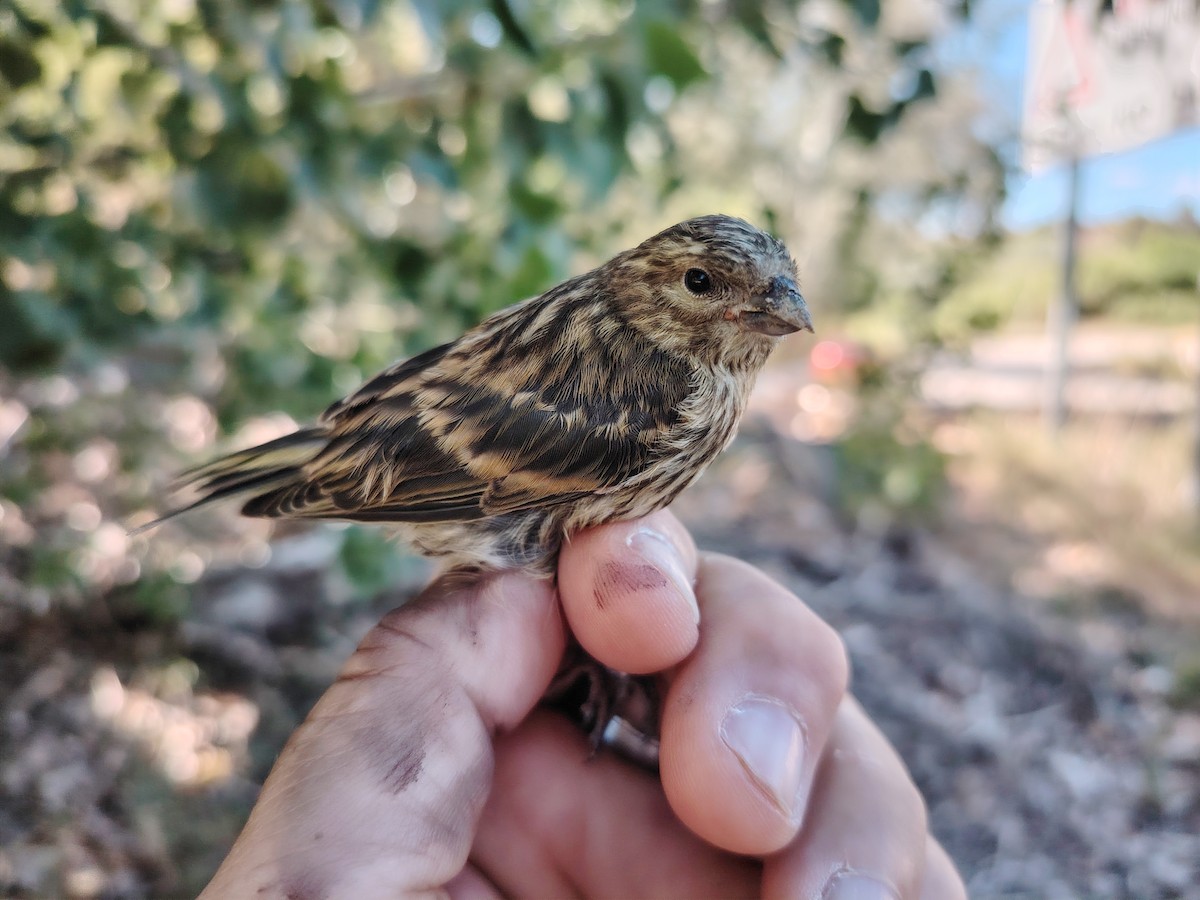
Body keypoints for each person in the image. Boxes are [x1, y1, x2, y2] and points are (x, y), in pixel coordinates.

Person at [200, 511, 966, 898]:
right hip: (507, 597)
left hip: (541, 722)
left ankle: (605, 684)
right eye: (708, 286)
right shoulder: (656, 388)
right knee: (625, 596)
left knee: (635, 608)